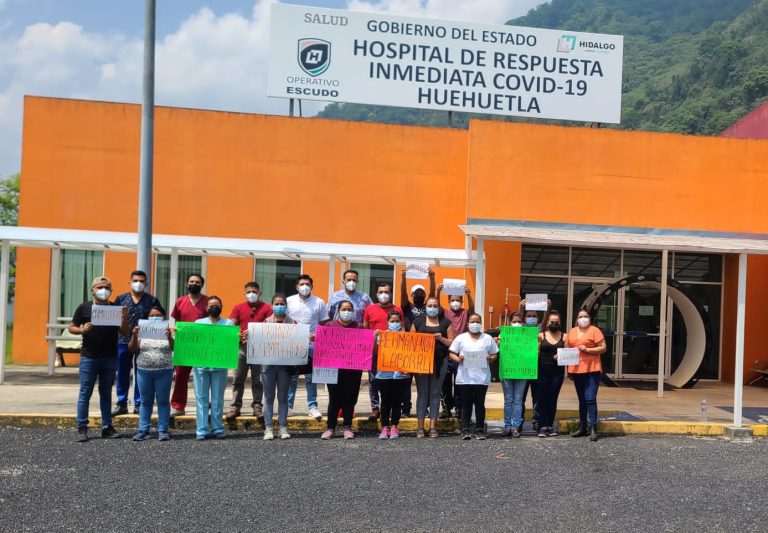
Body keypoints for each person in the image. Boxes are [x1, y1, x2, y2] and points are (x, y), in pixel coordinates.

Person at [69, 276, 129, 442]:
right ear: (93, 290)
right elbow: (72, 327)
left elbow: (124, 332)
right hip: (89, 356)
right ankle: (82, 427)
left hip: (110, 356)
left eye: (107, 287)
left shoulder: (116, 308)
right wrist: (82, 329)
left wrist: (124, 317)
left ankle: (106, 426)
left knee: (106, 392)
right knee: (85, 392)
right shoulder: (84, 307)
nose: (103, 290)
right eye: (100, 287)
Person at [112, 270, 161, 416]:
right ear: (130, 282)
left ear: (146, 283)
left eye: (141, 281)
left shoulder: (152, 301)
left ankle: (139, 403)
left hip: (144, 343)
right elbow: (113, 320)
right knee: (122, 372)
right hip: (122, 341)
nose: (138, 283)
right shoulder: (120, 299)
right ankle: (121, 403)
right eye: (135, 280)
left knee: (142, 373)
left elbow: (158, 320)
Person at [448, 313, 499, 440]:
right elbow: (451, 353)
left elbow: (495, 355)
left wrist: (490, 358)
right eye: (472, 321)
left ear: (481, 323)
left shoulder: (487, 338)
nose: (475, 323)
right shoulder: (461, 338)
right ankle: (465, 428)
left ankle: (480, 429)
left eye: (477, 321)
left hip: (482, 378)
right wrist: (458, 359)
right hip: (465, 377)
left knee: (480, 403)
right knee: (466, 403)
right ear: (468, 324)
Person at [128, 304, 173, 441]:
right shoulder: (142, 331)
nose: (155, 318)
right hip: (144, 371)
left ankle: (163, 430)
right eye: (152, 315)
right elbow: (132, 349)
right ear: (147, 317)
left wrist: (169, 337)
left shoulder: (168, 331)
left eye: (158, 315)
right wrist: (135, 335)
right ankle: (143, 430)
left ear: (163, 317)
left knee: (163, 401)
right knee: (145, 401)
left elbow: (174, 347)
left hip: (164, 371)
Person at [227, 281, 272, 420]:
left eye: (254, 292)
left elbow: (271, 327)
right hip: (242, 348)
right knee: (238, 379)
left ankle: (257, 407)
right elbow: (231, 326)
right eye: (249, 292)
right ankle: (235, 407)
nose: (251, 294)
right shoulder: (238, 307)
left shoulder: (267, 308)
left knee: (258, 380)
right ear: (244, 293)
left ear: (260, 293)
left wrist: (255, 336)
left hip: (259, 349)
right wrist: (238, 336)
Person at [411, 296, 455, 438]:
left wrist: (441, 339)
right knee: (422, 394)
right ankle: (420, 427)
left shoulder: (446, 323)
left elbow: (452, 343)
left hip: (440, 362)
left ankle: (433, 427)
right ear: (425, 307)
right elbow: (409, 342)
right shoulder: (417, 322)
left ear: (439, 307)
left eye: (435, 305)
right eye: (430, 305)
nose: (432, 308)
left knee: (435, 394)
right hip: (421, 363)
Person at [193, 296, 234, 440]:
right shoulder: (198, 323)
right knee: (201, 398)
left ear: (222, 307)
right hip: (201, 368)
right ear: (206, 308)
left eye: (217, 305)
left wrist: (239, 338)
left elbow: (231, 343)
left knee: (217, 399)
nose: (214, 308)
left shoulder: (228, 324)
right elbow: (193, 343)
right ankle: (201, 429)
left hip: (220, 367)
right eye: (211, 306)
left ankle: (217, 428)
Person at [321, 300, 363, 440]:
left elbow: (365, 348)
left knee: (349, 399)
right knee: (334, 399)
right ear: (338, 311)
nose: (347, 311)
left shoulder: (359, 327)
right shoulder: (329, 326)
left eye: (349, 309)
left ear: (353, 311)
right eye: (344, 309)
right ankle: (330, 427)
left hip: (353, 369)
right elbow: (322, 347)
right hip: (333, 369)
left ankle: (347, 426)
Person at [286, 274, 327, 420]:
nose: (305, 286)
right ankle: (288, 407)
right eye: (302, 284)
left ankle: (312, 407)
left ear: (312, 286)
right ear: (297, 286)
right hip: (293, 345)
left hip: (312, 346)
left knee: (311, 378)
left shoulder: (319, 302)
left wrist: (318, 337)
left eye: (308, 284)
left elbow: (325, 323)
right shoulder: (288, 301)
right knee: (292, 377)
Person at [363, 281, 404, 421]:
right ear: (376, 294)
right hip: (374, 352)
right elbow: (365, 329)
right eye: (381, 292)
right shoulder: (369, 309)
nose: (384, 294)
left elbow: (402, 329)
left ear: (391, 294)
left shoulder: (398, 309)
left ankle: (392, 410)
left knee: (393, 382)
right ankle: (375, 409)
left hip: (394, 354)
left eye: (386, 292)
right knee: (373, 380)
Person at [170, 274, 209, 417]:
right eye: (191, 281)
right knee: (180, 376)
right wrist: (174, 333)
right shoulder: (180, 301)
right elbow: (177, 323)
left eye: (197, 282)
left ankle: (205, 405)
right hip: (184, 345)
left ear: (201, 285)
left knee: (203, 376)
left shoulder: (207, 302)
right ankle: (178, 405)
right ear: (187, 283)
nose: (194, 284)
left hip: (202, 346)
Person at [399, 268, 435, 417]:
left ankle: (424, 408)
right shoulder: (407, 307)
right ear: (412, 295)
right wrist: (403, 278)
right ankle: (405, 409)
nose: (419, 295)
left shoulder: (428, 307)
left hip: (423, 350)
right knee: (406, 382)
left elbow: (433, 294)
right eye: (416, 293)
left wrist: (432, 278)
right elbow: (403, 294)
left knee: (422, 382)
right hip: (408, 348)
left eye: (422, 293)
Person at [567, 309, 607, 442]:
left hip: (592, 369)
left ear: (589, 318)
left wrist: (588, 349)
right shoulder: (572, 331)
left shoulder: (595, 330)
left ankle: (593, 428)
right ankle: (582, 427)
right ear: (576, 319)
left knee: (590, 398)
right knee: (581, 399)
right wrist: (569, 369)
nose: (583, 318)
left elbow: (603, 347)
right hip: (577, 369)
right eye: (580, 316)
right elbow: (567, 350)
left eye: (585, 316)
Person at [260, 294, 295, 441]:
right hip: (268, 366)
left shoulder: (293, 323)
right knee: (268, 397)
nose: (280, 306)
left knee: (283, 398)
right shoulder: (265, 323)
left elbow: (296, 343)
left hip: (285, 367)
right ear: (272, 305)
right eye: (277, 303)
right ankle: (268, 428)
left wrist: (306, 338)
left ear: (286, 306)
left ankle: (283, 427)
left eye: (282, 303)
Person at [438, 284, 474, 419]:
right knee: (445, 382)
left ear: (462, 301)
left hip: (461, 354)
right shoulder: (445, 312)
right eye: (452, 300)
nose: (455, 302)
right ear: (448, 301)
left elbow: (472, 309)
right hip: (447, 353)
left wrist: (469, 294)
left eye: (458, 300)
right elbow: (436, 306)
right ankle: (446, 407)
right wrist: (437, 291)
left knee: (460, 382)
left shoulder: (465, 313)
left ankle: (459, 408)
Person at [374, 310, 410, 440]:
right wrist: (375, 338)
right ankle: (384, 427)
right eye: (392, 321)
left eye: (397, 321)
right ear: (388, 322)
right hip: (384, 375)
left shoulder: (406, 337)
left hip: (400, 375)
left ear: (401, 322)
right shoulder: (382, 335)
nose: (395, 323)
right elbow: (375, 352)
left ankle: (394, 426)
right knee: (385, 402)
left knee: (397, 402)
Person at [531, 311, 567, 438]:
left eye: (556, 322)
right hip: (542, 372)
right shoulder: (541, 335)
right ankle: (541, 425)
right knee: (542, 399)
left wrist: (562, 355)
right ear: (547, 323)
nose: (554, 324)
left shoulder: (565, 337)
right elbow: (532, 350)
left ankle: (550, 425)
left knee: (553, 399)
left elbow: (570, 353)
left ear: (560, 323)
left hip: (557, 373)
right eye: (552, 322)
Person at [501, 312, 529, 438]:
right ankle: (507, 426)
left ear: (523, 323)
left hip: (522, 371)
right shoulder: (504, 335)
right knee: (508, 400)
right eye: (514, 321)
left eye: (519, 321)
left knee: (518, 400)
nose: (517, 324)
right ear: (509, 322)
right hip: (507, 370)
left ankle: (515, 427)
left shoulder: (528, 336)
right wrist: (498, 342)